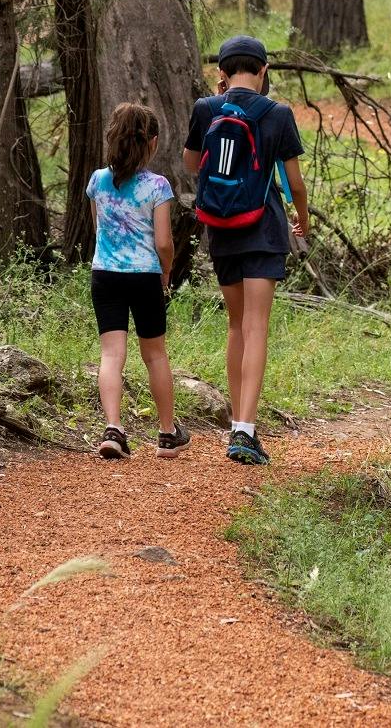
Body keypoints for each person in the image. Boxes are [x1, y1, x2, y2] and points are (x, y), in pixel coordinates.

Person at [185, 35, 308, 466]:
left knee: (236, 326)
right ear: (263, 70)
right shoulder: (277, 114)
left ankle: (237, 423)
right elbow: (294, 182)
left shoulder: (206, 109)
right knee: (257, 327)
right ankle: (244, 431)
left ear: (222, 72)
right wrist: (303, 218)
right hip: (264, 228)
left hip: (221, 230)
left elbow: (190, 163)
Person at [86, 102, 191, 460]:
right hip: (144, 277)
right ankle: (166, 433)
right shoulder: (157, 186)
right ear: (153, 143)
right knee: (155, 355)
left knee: (111, 355)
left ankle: (113, 429)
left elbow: (98, 228)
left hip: (105, 276)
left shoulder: (97, 180)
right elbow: (164, 241)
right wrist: (166, 270)